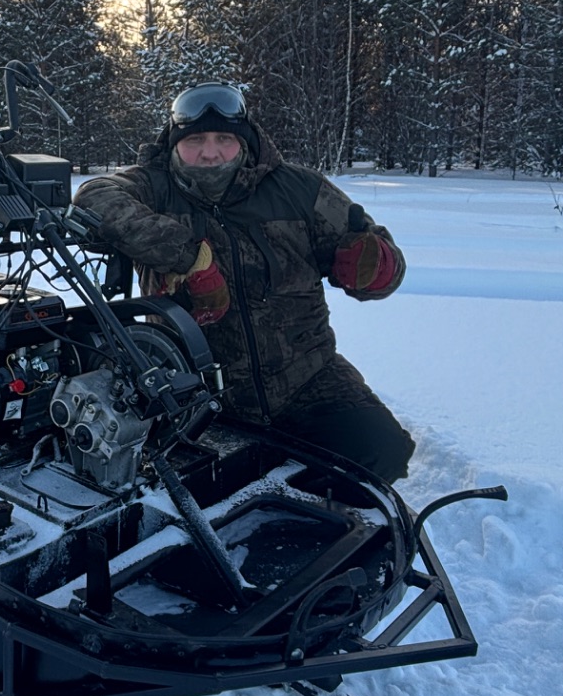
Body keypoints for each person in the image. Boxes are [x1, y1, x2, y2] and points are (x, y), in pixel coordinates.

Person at [75, 82, 416, 481]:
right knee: (193, 499)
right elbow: (93, 196)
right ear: (173, 143)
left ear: (246, 140)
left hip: (307, 379)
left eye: (224, 138)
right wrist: (189, 258)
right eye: (195, 140)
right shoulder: (152, 187)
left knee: (383, 452)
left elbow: (379, 259)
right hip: (195, 392)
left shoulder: (299, 190)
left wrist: (376, 268)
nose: (209, 152)